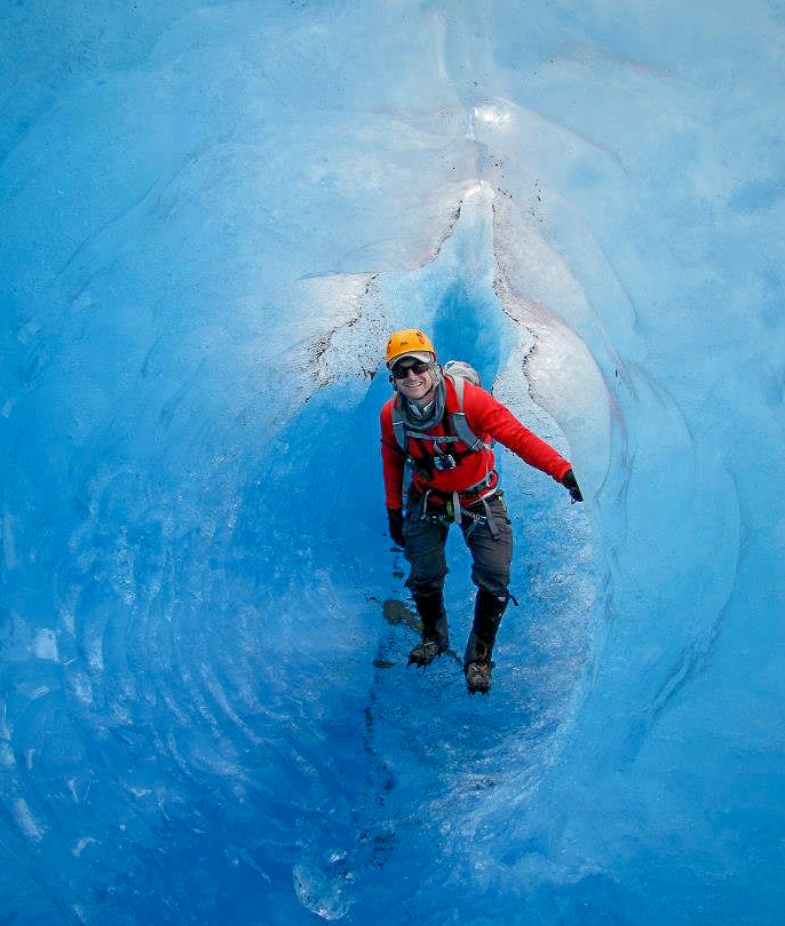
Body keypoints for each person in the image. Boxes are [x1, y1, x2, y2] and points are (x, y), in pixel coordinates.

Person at [380, 328, 583, 694]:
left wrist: (563, 472)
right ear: (392, 377)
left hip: (479, 498)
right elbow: (393, 460)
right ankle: (433, 637)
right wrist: (395, 511)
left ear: (434, 366)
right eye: (401, 369)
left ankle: (479, 658)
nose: (411, 376)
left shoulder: (470, 402)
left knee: (495, 574)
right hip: (429, 498)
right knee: (424, 572)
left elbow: (518, 437)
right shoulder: (391, 415)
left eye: (418, 365)